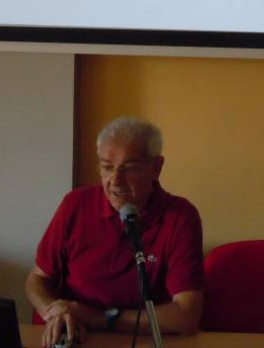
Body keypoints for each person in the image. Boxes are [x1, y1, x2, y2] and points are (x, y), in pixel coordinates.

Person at [25, 117, 204, 347]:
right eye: (107, 167)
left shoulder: (180, 216)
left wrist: (99, 317)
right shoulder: (75, 205)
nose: (115, 180)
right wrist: (54, 310)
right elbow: (37, 279)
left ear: (156, 168)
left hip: (143, 341)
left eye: (130, 168)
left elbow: (186, 316)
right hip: (77, 337)